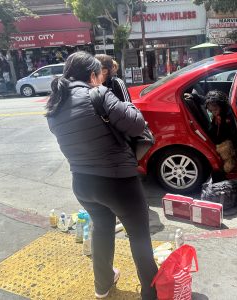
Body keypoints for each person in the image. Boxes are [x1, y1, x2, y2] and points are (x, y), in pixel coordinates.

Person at [46, 51, 158, 300]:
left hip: (82, 183)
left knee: (101, 229)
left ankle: (102, 285)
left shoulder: (54, 104)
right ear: (92, 76)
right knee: (139, 236)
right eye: (99, 75)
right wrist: (127, 104)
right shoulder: (98, 94)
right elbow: (137, 125)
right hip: (118, 182)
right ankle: (152, 294)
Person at [205, 90, 237, 173]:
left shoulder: (229, 116)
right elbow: (203, 99)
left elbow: (234, 134)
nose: (214, 112)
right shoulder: (218, 115)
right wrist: (194, 97)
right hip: (219, 137)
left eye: (215, 109)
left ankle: (232, 166)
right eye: (211, 110)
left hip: (228, 142)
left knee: (226, 152)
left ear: (222, 106)